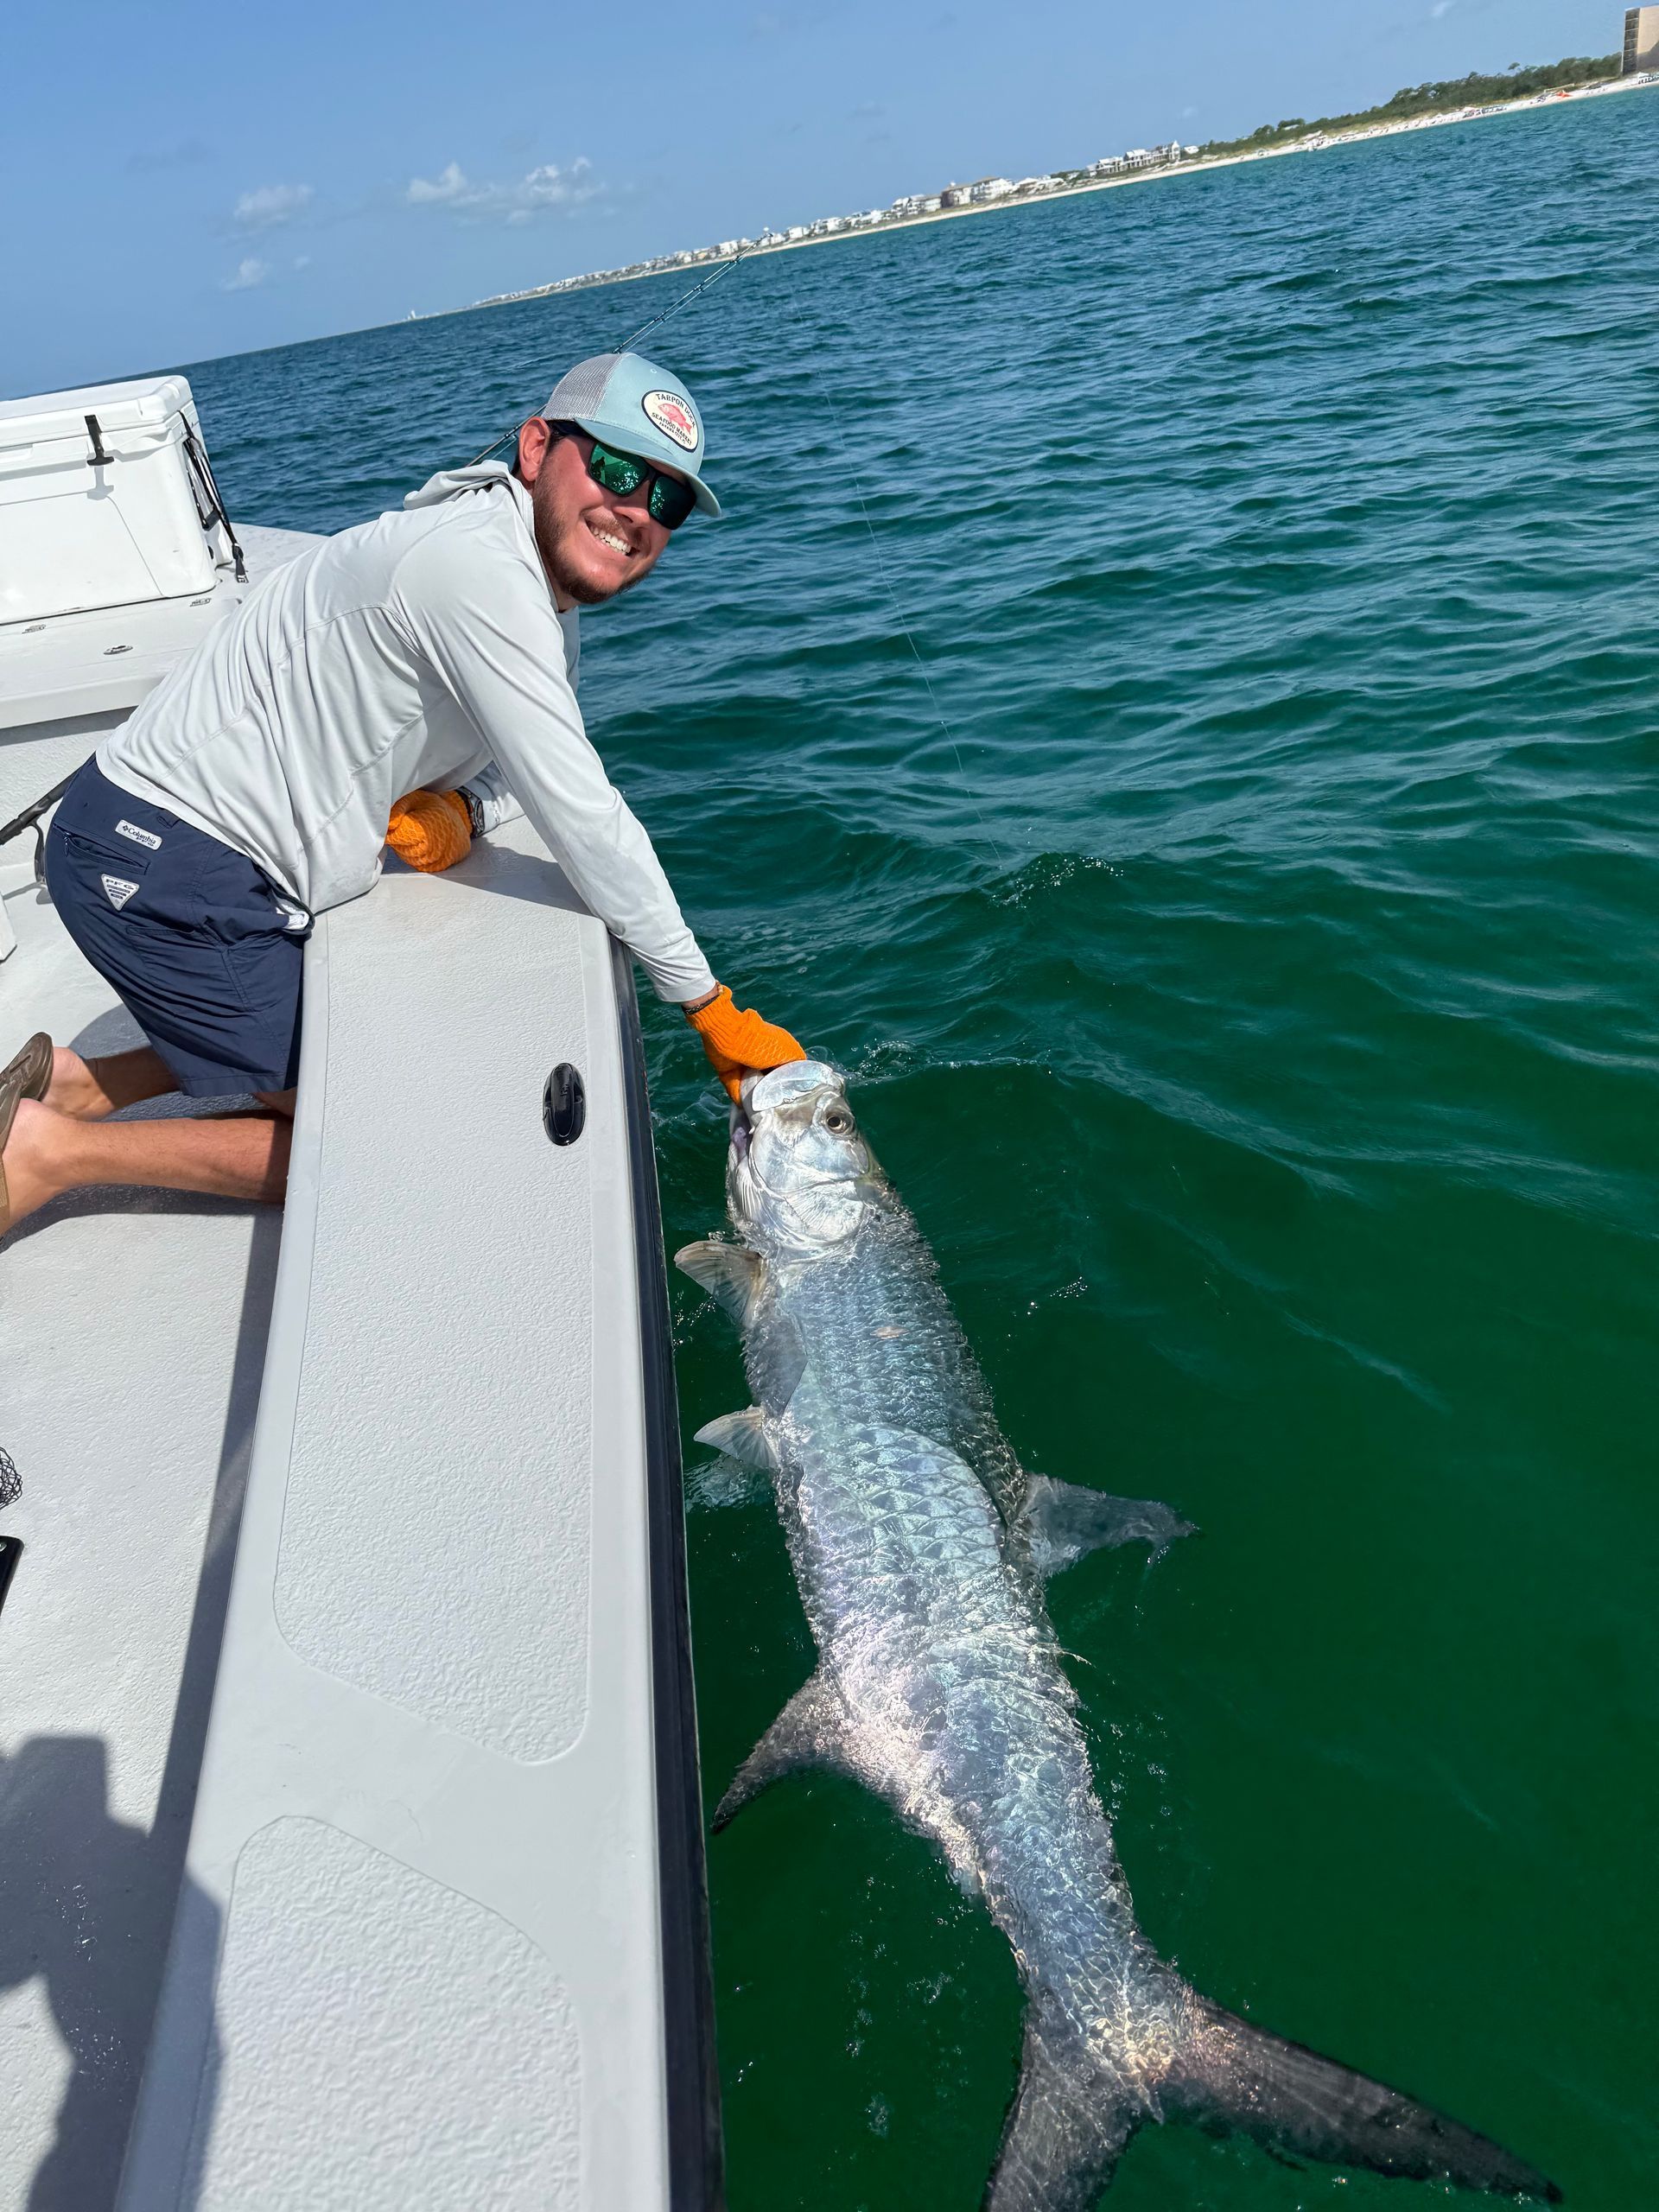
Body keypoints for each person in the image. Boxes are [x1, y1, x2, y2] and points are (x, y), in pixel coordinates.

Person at [0, 352, 802, 1236]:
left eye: (668, 500)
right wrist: (706, 1003)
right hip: (159, 862)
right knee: (381, 1139)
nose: (637, 511)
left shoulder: (534, 594)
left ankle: (80, 1084)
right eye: (615, 470)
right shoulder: (475, 568)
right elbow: (579, 807)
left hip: (202, 860)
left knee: (374, 1039)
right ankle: (51, 1154)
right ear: (537, 448)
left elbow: (524, 767)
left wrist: (464, 809)